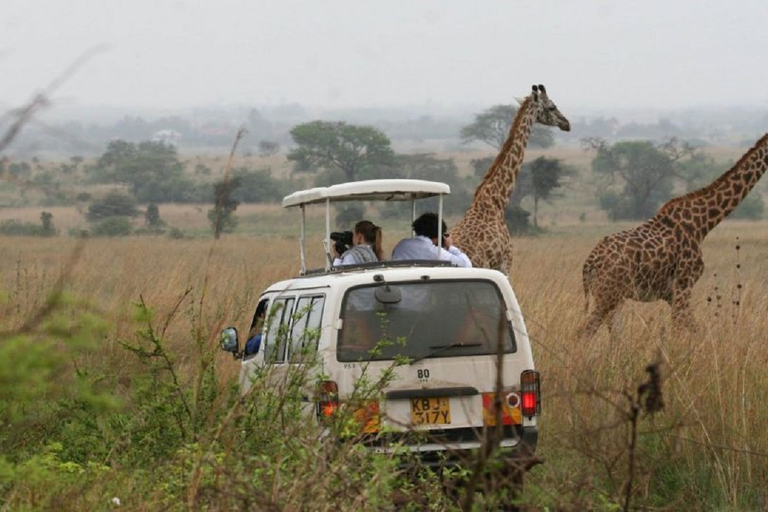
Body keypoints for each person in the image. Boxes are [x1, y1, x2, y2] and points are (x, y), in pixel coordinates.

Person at [391, 212, 472, 267]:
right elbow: (466, 265)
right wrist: (449, 246)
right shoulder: (435, 252)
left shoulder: (402, 244)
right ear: (439, 235)